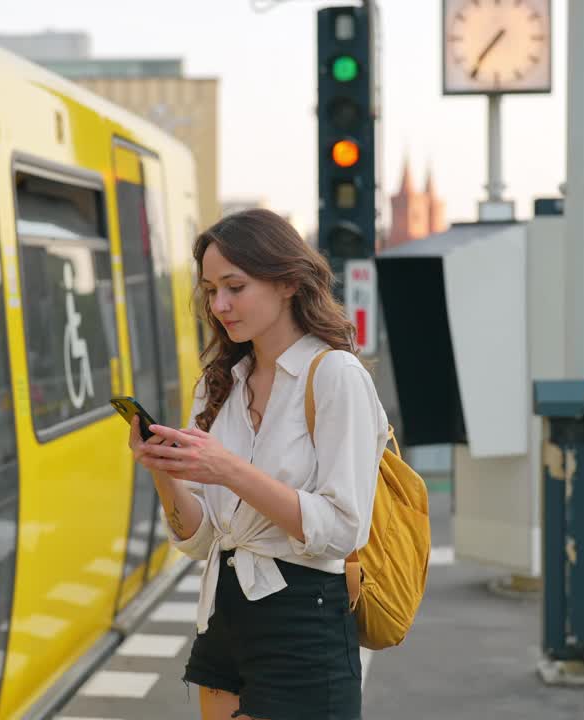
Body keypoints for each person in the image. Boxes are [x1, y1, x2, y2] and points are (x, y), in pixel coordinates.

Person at [130, 208, 388, 720]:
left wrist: (226, 468)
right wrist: (162, 470)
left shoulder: (335, 376)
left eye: (235, 286)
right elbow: (201, 539)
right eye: (209, 290)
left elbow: (342, 529)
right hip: (224, 614)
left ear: (288, 281)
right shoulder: (220, 382)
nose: (219, 305)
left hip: (302, 620)